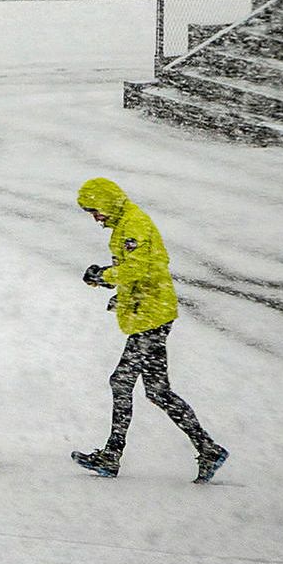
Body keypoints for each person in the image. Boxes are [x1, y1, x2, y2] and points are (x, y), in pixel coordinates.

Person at [71, 178, 228, 484]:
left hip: (152, 318)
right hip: (148, 314)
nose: (95, 217)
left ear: (108, 202)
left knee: (123, 383)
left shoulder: (134, 225)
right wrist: (121, 296)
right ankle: (207, 448)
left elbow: (137, 268)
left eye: (96, 210)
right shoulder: (125, 225)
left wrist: (104, 277)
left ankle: (112, 456)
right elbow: (145, 270)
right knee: (156, 391)